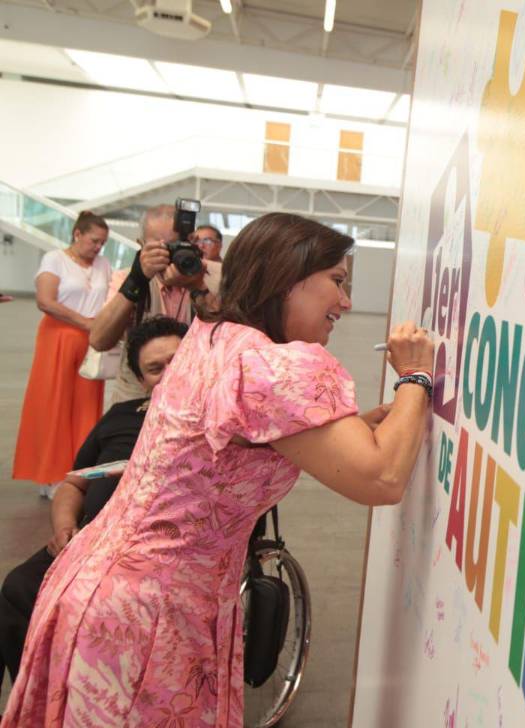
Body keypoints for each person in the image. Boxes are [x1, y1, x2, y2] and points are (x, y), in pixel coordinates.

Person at [3, 212, 433, 726]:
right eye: (337, 282)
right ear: (285, 278)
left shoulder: (214, 339)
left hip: (101, 586)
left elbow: (232, 444)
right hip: (151, 613)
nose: (345, 302)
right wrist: (416, 375)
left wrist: (348, 429)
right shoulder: (276, 367)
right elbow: (381, 478)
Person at [0, 316, 188, 690]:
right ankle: (36, 695)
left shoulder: (213, 423)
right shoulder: (121, 416)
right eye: (155, 368)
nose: (169, 373)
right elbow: (74, 483)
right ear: (141, 379)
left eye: (177, 361)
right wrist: (64, 528)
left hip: (152, 552)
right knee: (18, 587)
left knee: (82, 603)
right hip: (87, 541)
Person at [12, 211, 112, 494]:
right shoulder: (54, 259)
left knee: (86, 408)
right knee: (54, 404)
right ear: (77, 234)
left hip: (93, 341)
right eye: (94, 240)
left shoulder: (103, 264)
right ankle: (50, 474)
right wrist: (85, 322)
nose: (98, 247)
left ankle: (79, 473)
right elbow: (45, 301)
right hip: (58, 338)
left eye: (102, 243)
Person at [90, 204, 221, 404]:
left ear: (192, 242)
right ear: (141, 244)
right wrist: (137, 280)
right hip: (137, 400)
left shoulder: (215, 275)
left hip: (197, 399)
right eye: (160, 247)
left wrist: (197, 286)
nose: (169, 254)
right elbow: (99, 340)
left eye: (177, 245)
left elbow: (227, 336)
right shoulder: (127, 278)